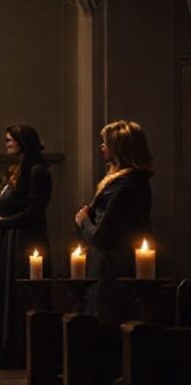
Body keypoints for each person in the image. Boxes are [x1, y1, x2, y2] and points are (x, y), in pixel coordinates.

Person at [0, 124, 51, 369]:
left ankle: (22, 350)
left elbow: (34, 212)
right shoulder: (17, 170)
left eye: (10, 140)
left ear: (23, 142)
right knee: (6, 295)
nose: (7, 144)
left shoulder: (37, 172)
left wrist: (2, 223)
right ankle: (5, 348)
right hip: (9, 240)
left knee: (21, 296)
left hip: (25, 242)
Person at [75, 120, 152, 322]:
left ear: (119, 148)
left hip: (111, 268)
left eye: (106, 143)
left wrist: (84, 220)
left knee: (105, 323)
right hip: (113, 264)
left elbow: (102, 237)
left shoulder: (123, 187)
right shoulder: (131, 182)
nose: (102, 147)